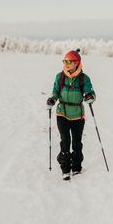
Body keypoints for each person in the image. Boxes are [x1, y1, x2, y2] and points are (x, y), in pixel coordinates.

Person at [46, 49, 96, 180]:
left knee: (77, 142)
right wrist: (52, 99)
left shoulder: (84, 78)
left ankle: (77, 167)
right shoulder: (60, 76)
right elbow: (55, 92)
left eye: (69, 61)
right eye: (65, 61)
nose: (66, 64)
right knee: (65, 140)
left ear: (77, 63)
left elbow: (90, 92)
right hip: (62, 113)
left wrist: (89, 96)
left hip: (78, 115)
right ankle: (65, 168)